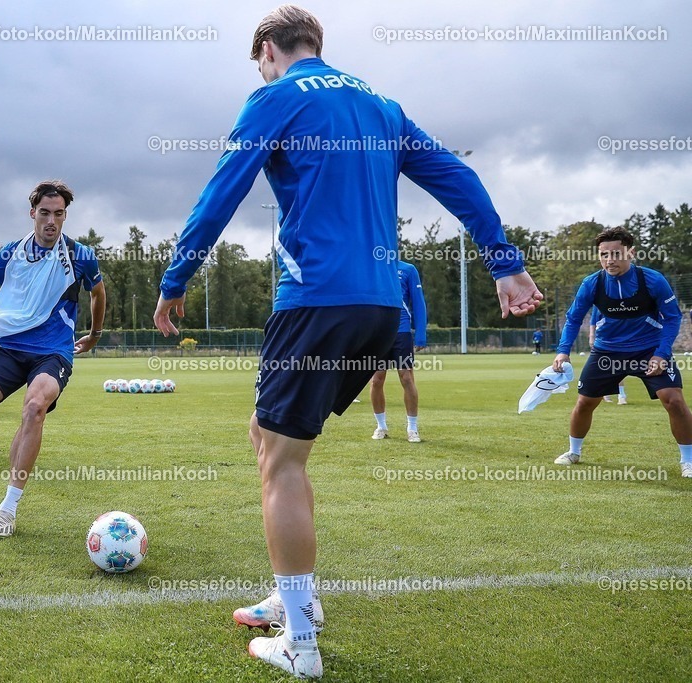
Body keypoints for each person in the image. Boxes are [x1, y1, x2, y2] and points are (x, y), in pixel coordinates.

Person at [151, 7, 542, 678]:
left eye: (260, 61)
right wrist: (504, 262)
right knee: (268, 435)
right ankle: (293, 590)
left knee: (283, 462)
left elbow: (221, 191)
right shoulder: (381, 103)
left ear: (271, 50)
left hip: (316, 302)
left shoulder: (273, 97)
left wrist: (175, 275)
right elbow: (457, 176)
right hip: (380, 307)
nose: (262, 71)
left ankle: (299, 642)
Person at [0, 180, 106, 540]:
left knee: (34, 407)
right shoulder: (12, 252)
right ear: (32, 213)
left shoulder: (80, 255)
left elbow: (98, 293)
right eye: (45, 213)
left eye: (59, 214)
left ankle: (8, 507)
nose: (52, 220)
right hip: (11, 347)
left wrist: (95, 334)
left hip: (53, 350)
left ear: (66, 216)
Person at [553, 226, 691, 477]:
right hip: (607, 352)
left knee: (674, 401)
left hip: (649, 350)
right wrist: (563, 351)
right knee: (585, 402)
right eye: (604, 254)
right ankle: (574, 452)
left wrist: (661, 354)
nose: (609, 260)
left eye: (616, 254)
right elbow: (573, 319)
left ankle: (688, 461)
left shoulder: (653, 280)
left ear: (631, 253)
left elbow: (673, 317)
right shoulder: (591, 284)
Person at [370, 259, 427, 443]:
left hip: (401, 331)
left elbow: (418, 302)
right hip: (378, 332)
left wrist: (420, 334)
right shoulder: (371, 267)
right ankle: (381, 426)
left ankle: (412, 428)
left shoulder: (408, 269)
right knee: (377, 379)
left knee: (407, 378)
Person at [588, 307, 626, 404]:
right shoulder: (599, 301)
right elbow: (593, 320)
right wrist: (592, 336)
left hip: (620, 338)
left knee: (619, 366)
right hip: (603, 339)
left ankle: (621, 395)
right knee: (603, 367)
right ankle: (606, 393)